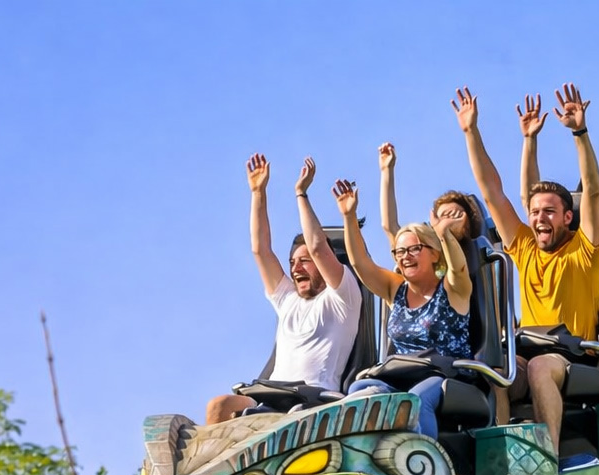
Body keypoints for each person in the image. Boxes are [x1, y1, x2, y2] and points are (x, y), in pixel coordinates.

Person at [454, 84, 599, 469]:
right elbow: (491, 193)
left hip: (576, 355)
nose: (539, 218)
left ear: (567, 218)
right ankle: (502, 456)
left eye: (550, 212)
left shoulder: (585, 248)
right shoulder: (523, 246)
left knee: (540, 367)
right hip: (530, 350)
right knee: (493, 366)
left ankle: (547, 460)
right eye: (535, 212)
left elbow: (590, 191)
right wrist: (471, 132)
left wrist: (580, 133)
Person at [206, 154, 362, 425]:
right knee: (219, 406)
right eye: (292, 262)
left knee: (283, 421)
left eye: (304, 262)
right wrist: (258, 192)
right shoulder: (287, 300)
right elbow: (261, 249)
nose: (296, 268)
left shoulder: (342, 298)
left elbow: (317, 246)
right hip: (271, 396)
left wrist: (301, 194)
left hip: (314, 400)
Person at [331, 179, 473, 440]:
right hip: (401, 375)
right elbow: (360, 263)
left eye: (414, 249)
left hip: (446, 375)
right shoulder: (394, 290)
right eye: (400, 252)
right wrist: (349, 217)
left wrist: (444, 234)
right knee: (361, 389)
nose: (405, 256)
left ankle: (426, 465)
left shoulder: (454, 289)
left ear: (434, 254)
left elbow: (458, 269)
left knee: (415, 400)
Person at [376, 140, 485, 246]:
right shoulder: (427, 253)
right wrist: (386, 170)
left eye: (455, 215)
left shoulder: (480, 253)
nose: (447, 220)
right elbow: (390, 227)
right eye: (443, 216)